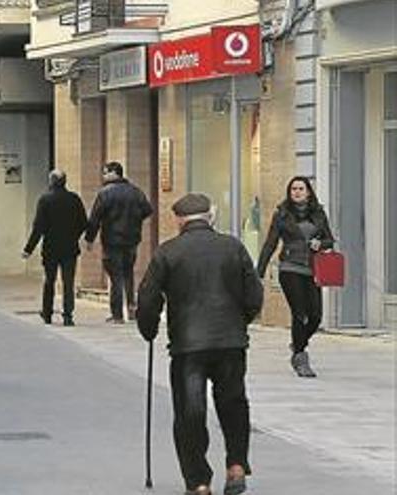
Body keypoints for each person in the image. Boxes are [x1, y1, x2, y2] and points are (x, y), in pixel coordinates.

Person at [137, 193, 263, 495]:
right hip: (230, 342)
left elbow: (147, 298)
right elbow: (254, 295)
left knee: (190, 411)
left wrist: (149, 329)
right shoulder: (233, 247)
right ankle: (235, 467)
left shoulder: (168, 252)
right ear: (210, 217)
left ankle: (199, 481)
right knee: (233, 403)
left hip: (188, 346)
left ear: (179, 220)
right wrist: (239, 322)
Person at [257, 176, 335, 378]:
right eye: (293, 189)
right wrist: (259, 271)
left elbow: (329, 240)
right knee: (300, 314)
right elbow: (270, 243)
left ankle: (298, 344)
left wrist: (321, 244)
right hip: (290, 268)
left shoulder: (318, 213)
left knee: (316, 316)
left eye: (301, 188)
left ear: (308, 191)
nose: (297, 192)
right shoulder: (282, 214)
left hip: (313, 270)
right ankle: (300, 358)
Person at [85, 161, 153, 323]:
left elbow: (95, 218)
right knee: (129, 274)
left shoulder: (105, 193)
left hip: (111, 240)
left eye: (106, 172)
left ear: (114, 173)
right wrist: (134, 221)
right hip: (132, 239)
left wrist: (90, 238)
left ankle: (117, 315)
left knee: (116, 277)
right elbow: (148, 210)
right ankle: (131, 308)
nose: (103, 176)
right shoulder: (136, 192)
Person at [22, 170, 88, 326]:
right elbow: (83, 223)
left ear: (51, 182)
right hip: (70, 248)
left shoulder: (45, 200)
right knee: (68, 282)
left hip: (51, 248)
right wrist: (74, 236)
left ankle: (47, 313)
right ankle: (68, 316)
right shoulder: (74, 199)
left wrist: (28, 249)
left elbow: (38, 227)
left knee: (49, 281)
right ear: (64, 181)